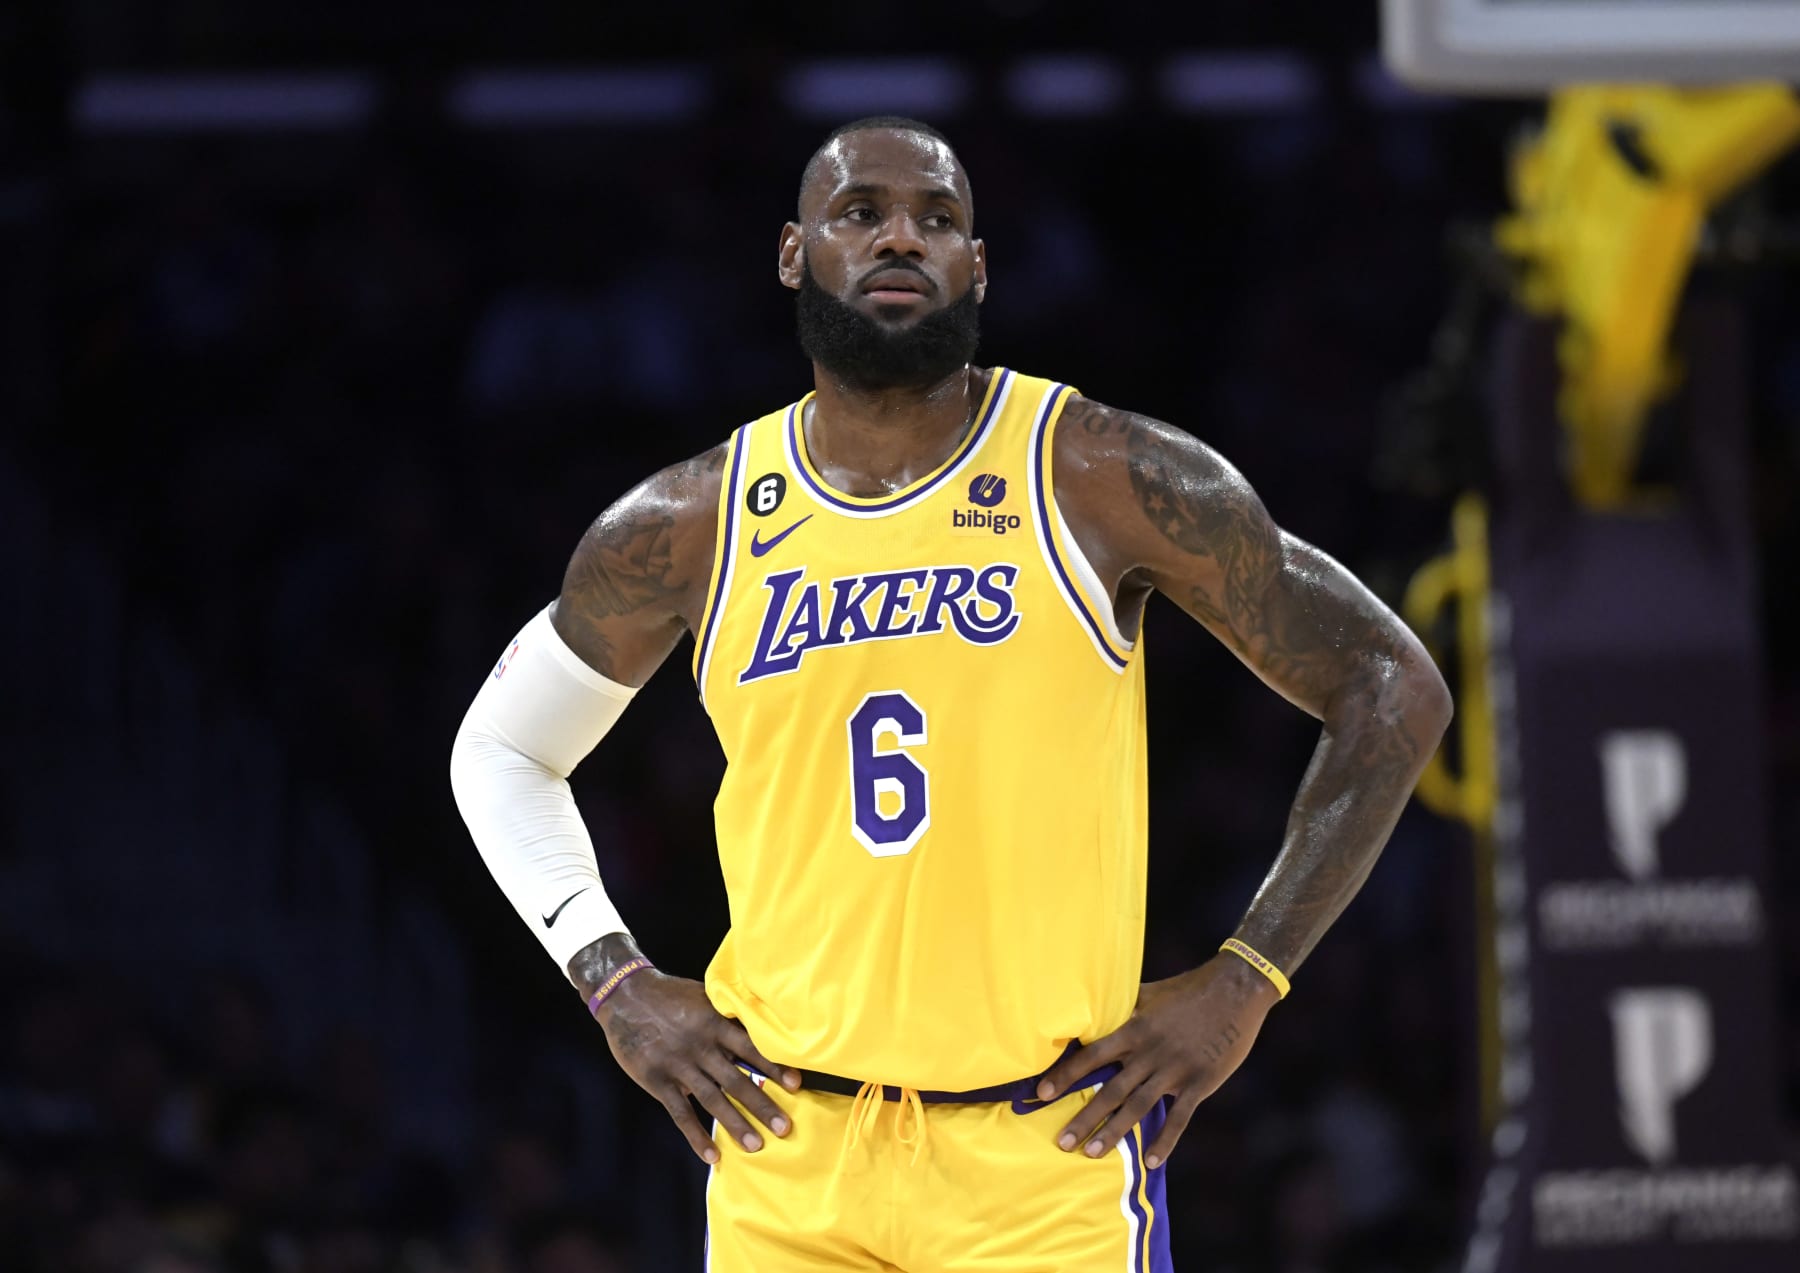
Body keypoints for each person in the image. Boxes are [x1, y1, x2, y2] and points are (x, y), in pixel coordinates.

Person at [451, 115, 1453, 1272]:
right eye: (861, 212)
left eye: (938, 219)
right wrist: (613, 979)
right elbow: (502, 753)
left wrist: (1248, 978)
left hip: (1045, 1154)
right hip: (790, 1152)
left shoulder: (1100, 474)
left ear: (978, 267)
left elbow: (1391, 685)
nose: (902, 239)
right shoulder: (690, 522)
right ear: (794, 253)